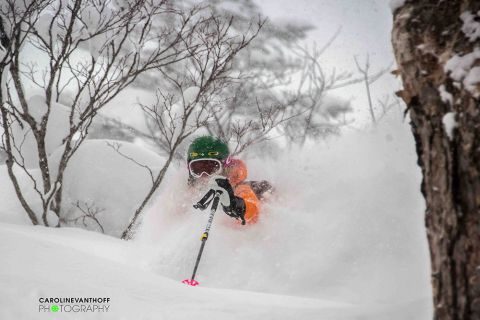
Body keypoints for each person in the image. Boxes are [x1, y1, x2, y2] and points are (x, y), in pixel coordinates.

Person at [186, 136, 268, 224]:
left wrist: (234, 204)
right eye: (197, 169)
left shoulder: (240, 188)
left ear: (225, 167)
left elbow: (252, 212)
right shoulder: (189, 191)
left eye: (211, 168)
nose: (204, 175)